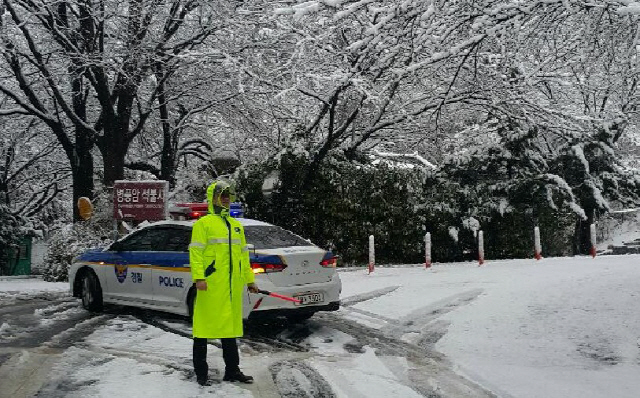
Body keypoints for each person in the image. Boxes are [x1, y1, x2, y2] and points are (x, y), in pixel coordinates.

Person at [189, 179, 259, 386]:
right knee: (203, 329)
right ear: (214, 198)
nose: (226, 200)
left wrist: (249, 280)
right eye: (223, 196)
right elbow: (196, 253)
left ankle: (232, 370)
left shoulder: (236, 226)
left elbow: (243, 257)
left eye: (229, 196)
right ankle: (201, 373)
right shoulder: (203, 224)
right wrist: (199, 277)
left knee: (230, 330)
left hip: (231, 288)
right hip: (211, 286)